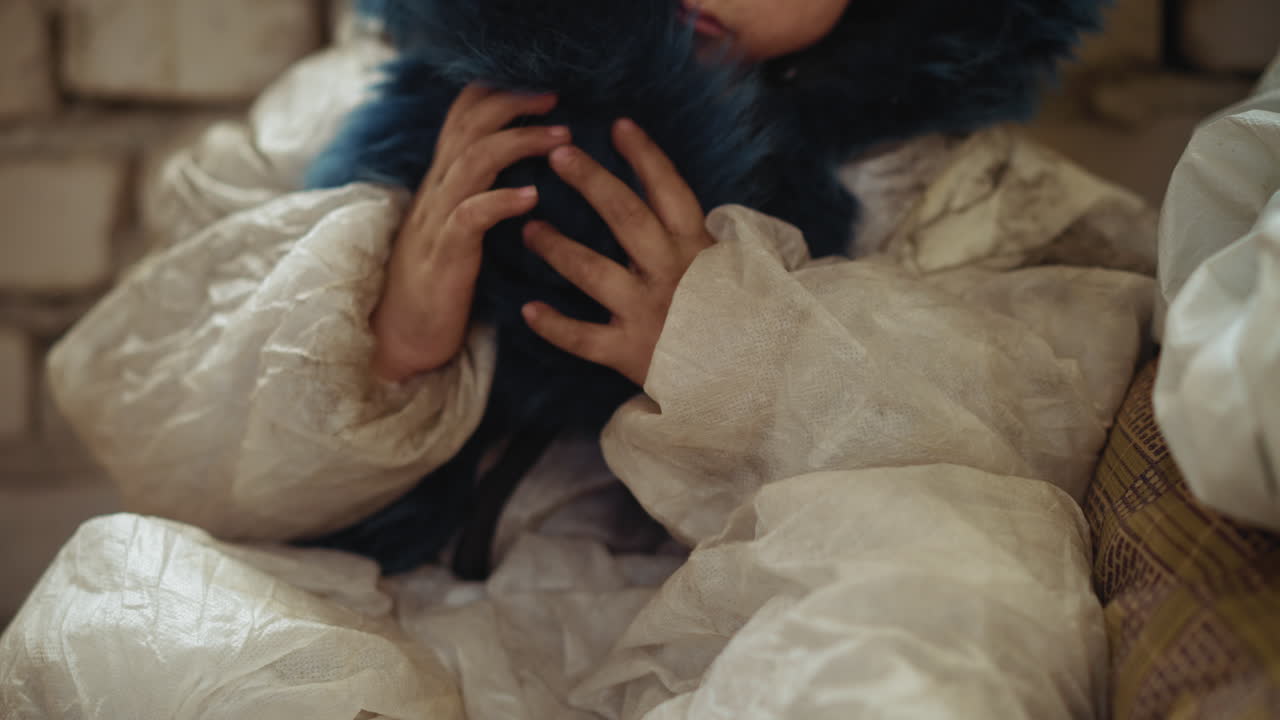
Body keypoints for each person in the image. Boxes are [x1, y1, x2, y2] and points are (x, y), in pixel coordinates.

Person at [2, 2, 1159, 717]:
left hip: (705, 644)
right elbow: (146, 401)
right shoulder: (372, 108)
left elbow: (1041, 416)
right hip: (374, 621)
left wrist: (737, 354)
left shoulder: (958, 193)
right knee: (129, 622)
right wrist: (385, 327)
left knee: (949, 601)